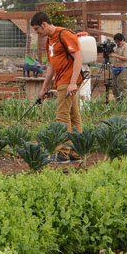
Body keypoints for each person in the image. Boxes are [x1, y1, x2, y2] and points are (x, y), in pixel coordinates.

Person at [31, 12, 83, 163]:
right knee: (73, 115)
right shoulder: (49, 41)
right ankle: (76, 151)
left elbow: (78, 57)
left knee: (61, 116)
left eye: (36, 29)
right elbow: (51, 66)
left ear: (44, 24)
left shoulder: (64, 34)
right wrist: (44, 87)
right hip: (61, 81)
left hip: (69, 80)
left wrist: (73, 82)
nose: (36, 32)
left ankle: (63, 152)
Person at [109, 33, 127, 101]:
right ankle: (118, 102)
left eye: (119, 41)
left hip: (123, 69)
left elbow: (126, 58)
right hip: (115, 67)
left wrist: (116, 56)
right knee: (114, 87)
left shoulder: (126, 47)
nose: (117, 43)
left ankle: (125, 103)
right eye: (116, 41)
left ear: (122, 40)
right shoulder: (115, 47)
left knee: (122, 87)